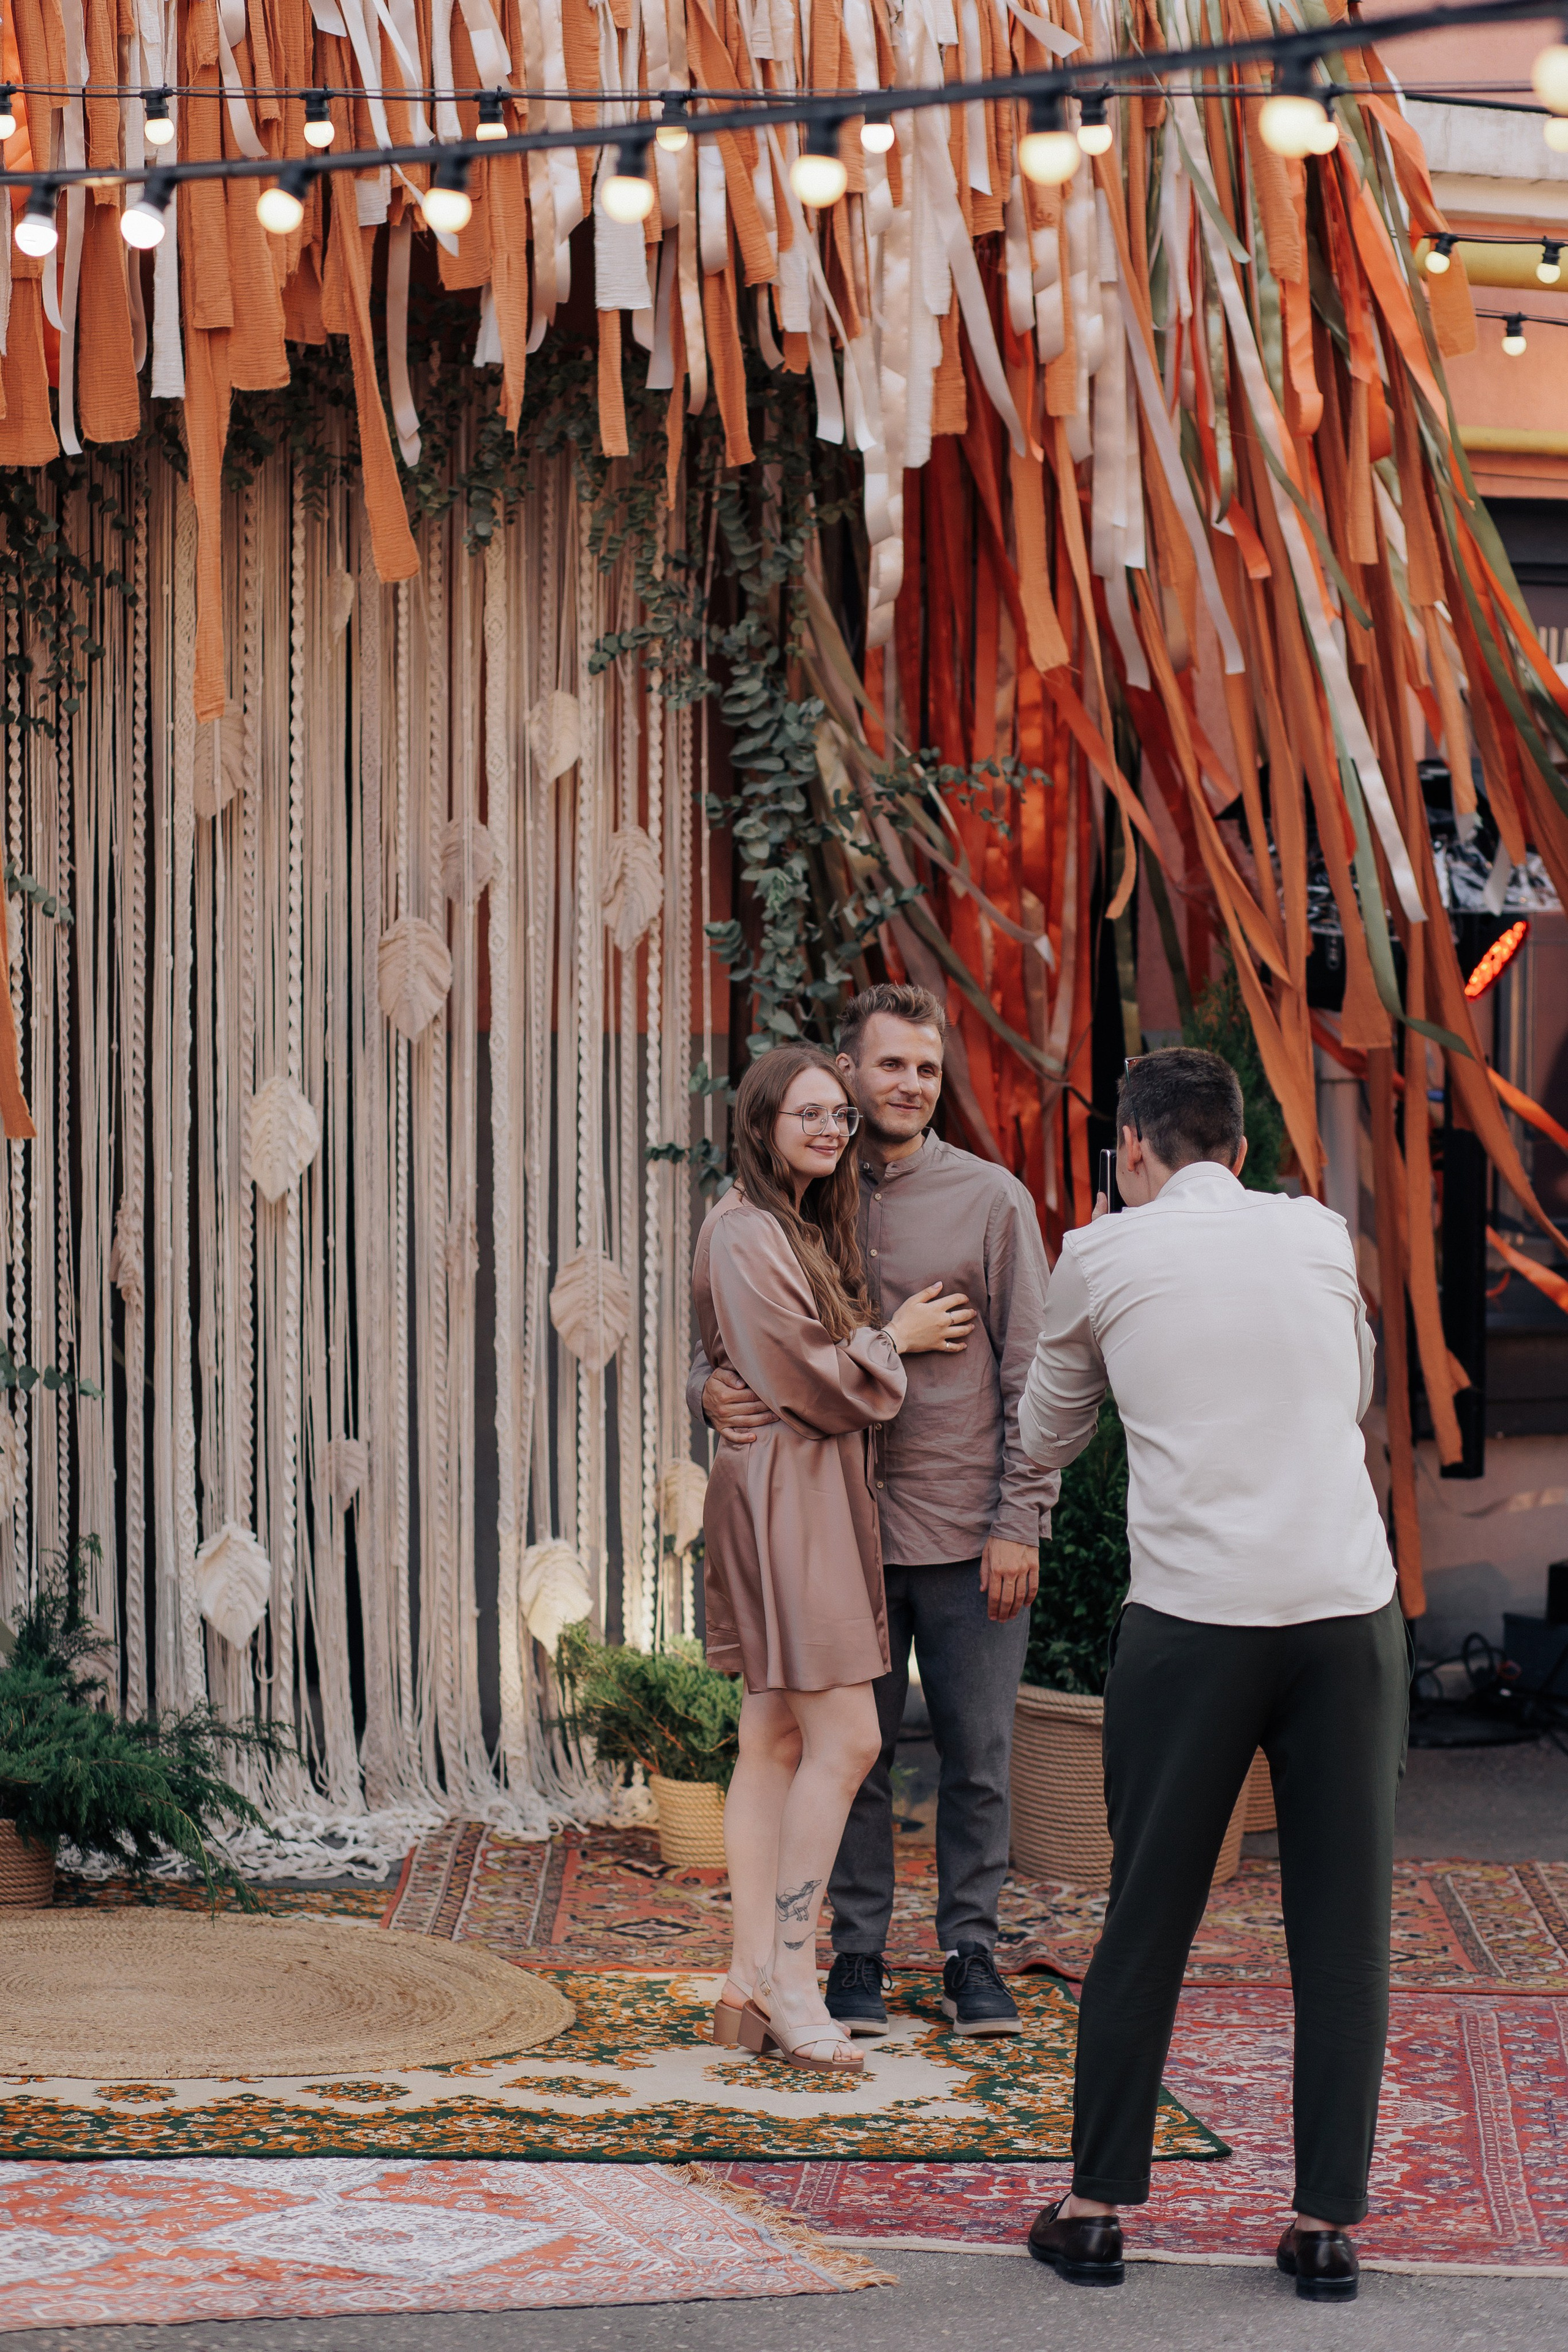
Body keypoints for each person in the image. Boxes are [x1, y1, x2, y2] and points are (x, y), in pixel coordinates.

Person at [1017, 1047, 1408, 2302]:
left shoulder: (1098, 1251)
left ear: (1131, 1149)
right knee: (1340, 1931)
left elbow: (1043, 1432)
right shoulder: (1317, 1235)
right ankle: (1324, 2230)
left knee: (1150, 1914)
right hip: (1344, 1612)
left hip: (1191, 1622)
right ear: (1236, 1152)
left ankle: (1092, 2213)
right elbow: (1345, 1395)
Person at [691, 984, 1057, 2039]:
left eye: (927, 1070)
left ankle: (968, 1948)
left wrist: (1019, 1519)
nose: (907, 1085)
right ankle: (849, 1953)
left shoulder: (990, 1201)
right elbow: (730, 1341)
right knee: (842, 1750)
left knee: (978, 1752)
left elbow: (1035, 1370)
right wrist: (702, 1394)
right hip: (834, 1528)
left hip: (959, 1524)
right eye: (888, 1066)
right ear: (848, 1075)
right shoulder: (797, 1197)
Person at [695, 1042, 960, 2073]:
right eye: (808, 1113)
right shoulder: (747, 1229)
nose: (829, 1129)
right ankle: (795, 1977)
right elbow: (810, 1379)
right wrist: (893, 1337)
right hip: (787, 1494)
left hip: (798, 1488)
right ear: (762, 1122)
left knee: (773, 1738)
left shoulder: (782, 1227)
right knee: (849, 1733)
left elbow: (740, 1362)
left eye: (838, 1117)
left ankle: (748, 1974)